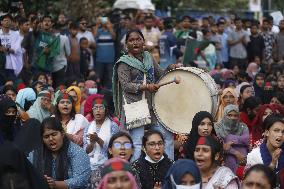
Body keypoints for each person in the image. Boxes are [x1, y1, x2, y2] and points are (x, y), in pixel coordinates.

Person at [113, 29, 178, 160]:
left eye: (138, 39)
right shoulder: (123, 62)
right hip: (135, 106)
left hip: (152, 105)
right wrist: (146, 87)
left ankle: (168, 169)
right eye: (131, 40)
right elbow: (126, 86)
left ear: (143, 41)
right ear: (126, 44)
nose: (135, 42)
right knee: (137, 142)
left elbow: (159, 74)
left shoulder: (148, 56)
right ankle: (135, 175)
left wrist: (169, 68)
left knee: (166, 137)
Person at [30, 117, 91, 189]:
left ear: (62, 134)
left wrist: (55, 184)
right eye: (46, 136)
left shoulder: (76, 152)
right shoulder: (36, 153)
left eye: (54, 134)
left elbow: (81, 180)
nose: (51, 139)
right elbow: (28, 174)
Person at [83, 95, 120, 170]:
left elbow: (114, 149)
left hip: (108, 166)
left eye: (101, 108)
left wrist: (98, 140)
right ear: (92, 111)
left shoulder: (113, 126)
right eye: (95, 108)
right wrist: (92, 143)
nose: (98, 110)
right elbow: (85, 151)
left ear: (106, 110)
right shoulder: (88, 126)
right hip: (90, 166)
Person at [215, 104, 249, 173]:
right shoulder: (217, 127)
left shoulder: (243, 126)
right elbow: (220, 145)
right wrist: (236, 153)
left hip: (242, 157)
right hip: (223, 157)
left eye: (235, 115)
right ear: (224, 115)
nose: (233, 118)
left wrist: (230, 139)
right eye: (229, 115)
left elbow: (246, 140)